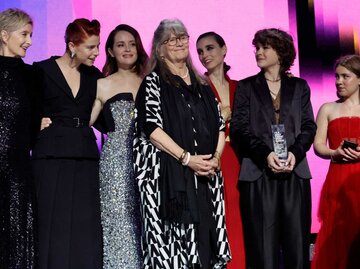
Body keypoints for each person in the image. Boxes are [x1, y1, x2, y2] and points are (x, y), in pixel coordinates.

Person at [134, 19, 231, 268]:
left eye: (183, 37)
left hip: (207, 176)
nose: (179, 43)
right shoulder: (153, 83)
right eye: (171, 39)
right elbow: (151, 128)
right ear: (159, 48)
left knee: (206, 244)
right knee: (177, 247)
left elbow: (220, 125)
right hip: (172, 176)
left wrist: (216, 159)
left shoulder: (203, 84)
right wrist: (187, 159)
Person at [230, 28, 316, 269]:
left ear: (281, 52)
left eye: (265, 47)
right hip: (258, 173)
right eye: (257, 47)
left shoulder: (300, 86)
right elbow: (239, 129)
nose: (258, 52)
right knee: (262, 249)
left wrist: (295, 153)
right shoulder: (246, 87)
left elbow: (309, 126)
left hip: (294, 171)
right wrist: (265, 154)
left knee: (297, 247)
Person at [32, 18, 103, 269]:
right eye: (90, 47)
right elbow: (25, 108)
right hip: (50, 155)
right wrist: (33, 122)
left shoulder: (95, 76)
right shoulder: (41, 71)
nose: (96, 53)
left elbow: (105, 119)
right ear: (72, 45)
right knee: (53, 224)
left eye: (97, 46)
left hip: (84, 156)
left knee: (84, 227)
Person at [90, 24, 148, 269]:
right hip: (115, 165)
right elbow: (84, 123)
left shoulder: (152, 81)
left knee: (148, 221)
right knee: (119, 223)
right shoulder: (102, 84)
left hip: (150, 161)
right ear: (111, 51)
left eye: (132, 43)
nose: (127, 49)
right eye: (120, 44)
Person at [196, 31, 245, 269]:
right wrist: (221, 117)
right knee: (218, 216)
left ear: (224, 49)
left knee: (238, 216)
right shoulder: (197, 86)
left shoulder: (241, 87)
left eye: (210, 48)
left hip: (239, 158)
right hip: (212, 158)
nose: (205, 55)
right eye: (200, 51)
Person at [312, 54, 360, 269]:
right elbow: (318, 145)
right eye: (336, 76)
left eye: (345, 76)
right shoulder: (328, 108)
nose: (339, 81)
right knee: (337, 235)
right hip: (338, 178)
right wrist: (335, 153)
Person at [0, 8, 37, 269]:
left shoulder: (31, 76)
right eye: (24, 34)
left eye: (31, 35)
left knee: (16, 238)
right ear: (4, 35)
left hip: (18, 173)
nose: (29, 41)